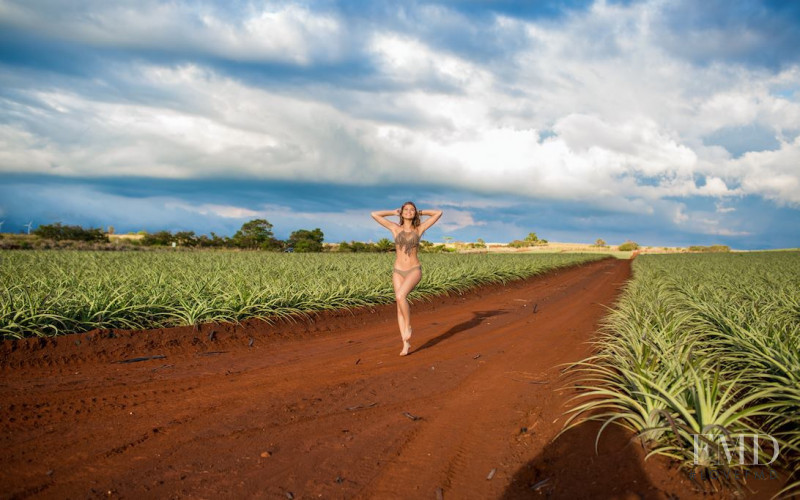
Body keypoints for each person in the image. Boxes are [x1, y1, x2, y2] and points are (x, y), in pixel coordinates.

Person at [371, 202, 443, 356]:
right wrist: (392, 211)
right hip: (398, 271)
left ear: (415, 213)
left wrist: (421, 212)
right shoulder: (394, 228)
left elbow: (438, 213)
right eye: (406, 209)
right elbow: (374, 214)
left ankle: (408, 327)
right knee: (399, 305)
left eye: (412, 210)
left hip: (414, 270)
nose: (409, 212)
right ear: (402, 212)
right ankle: (406, 344)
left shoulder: (420, 228)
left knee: (400, 296)